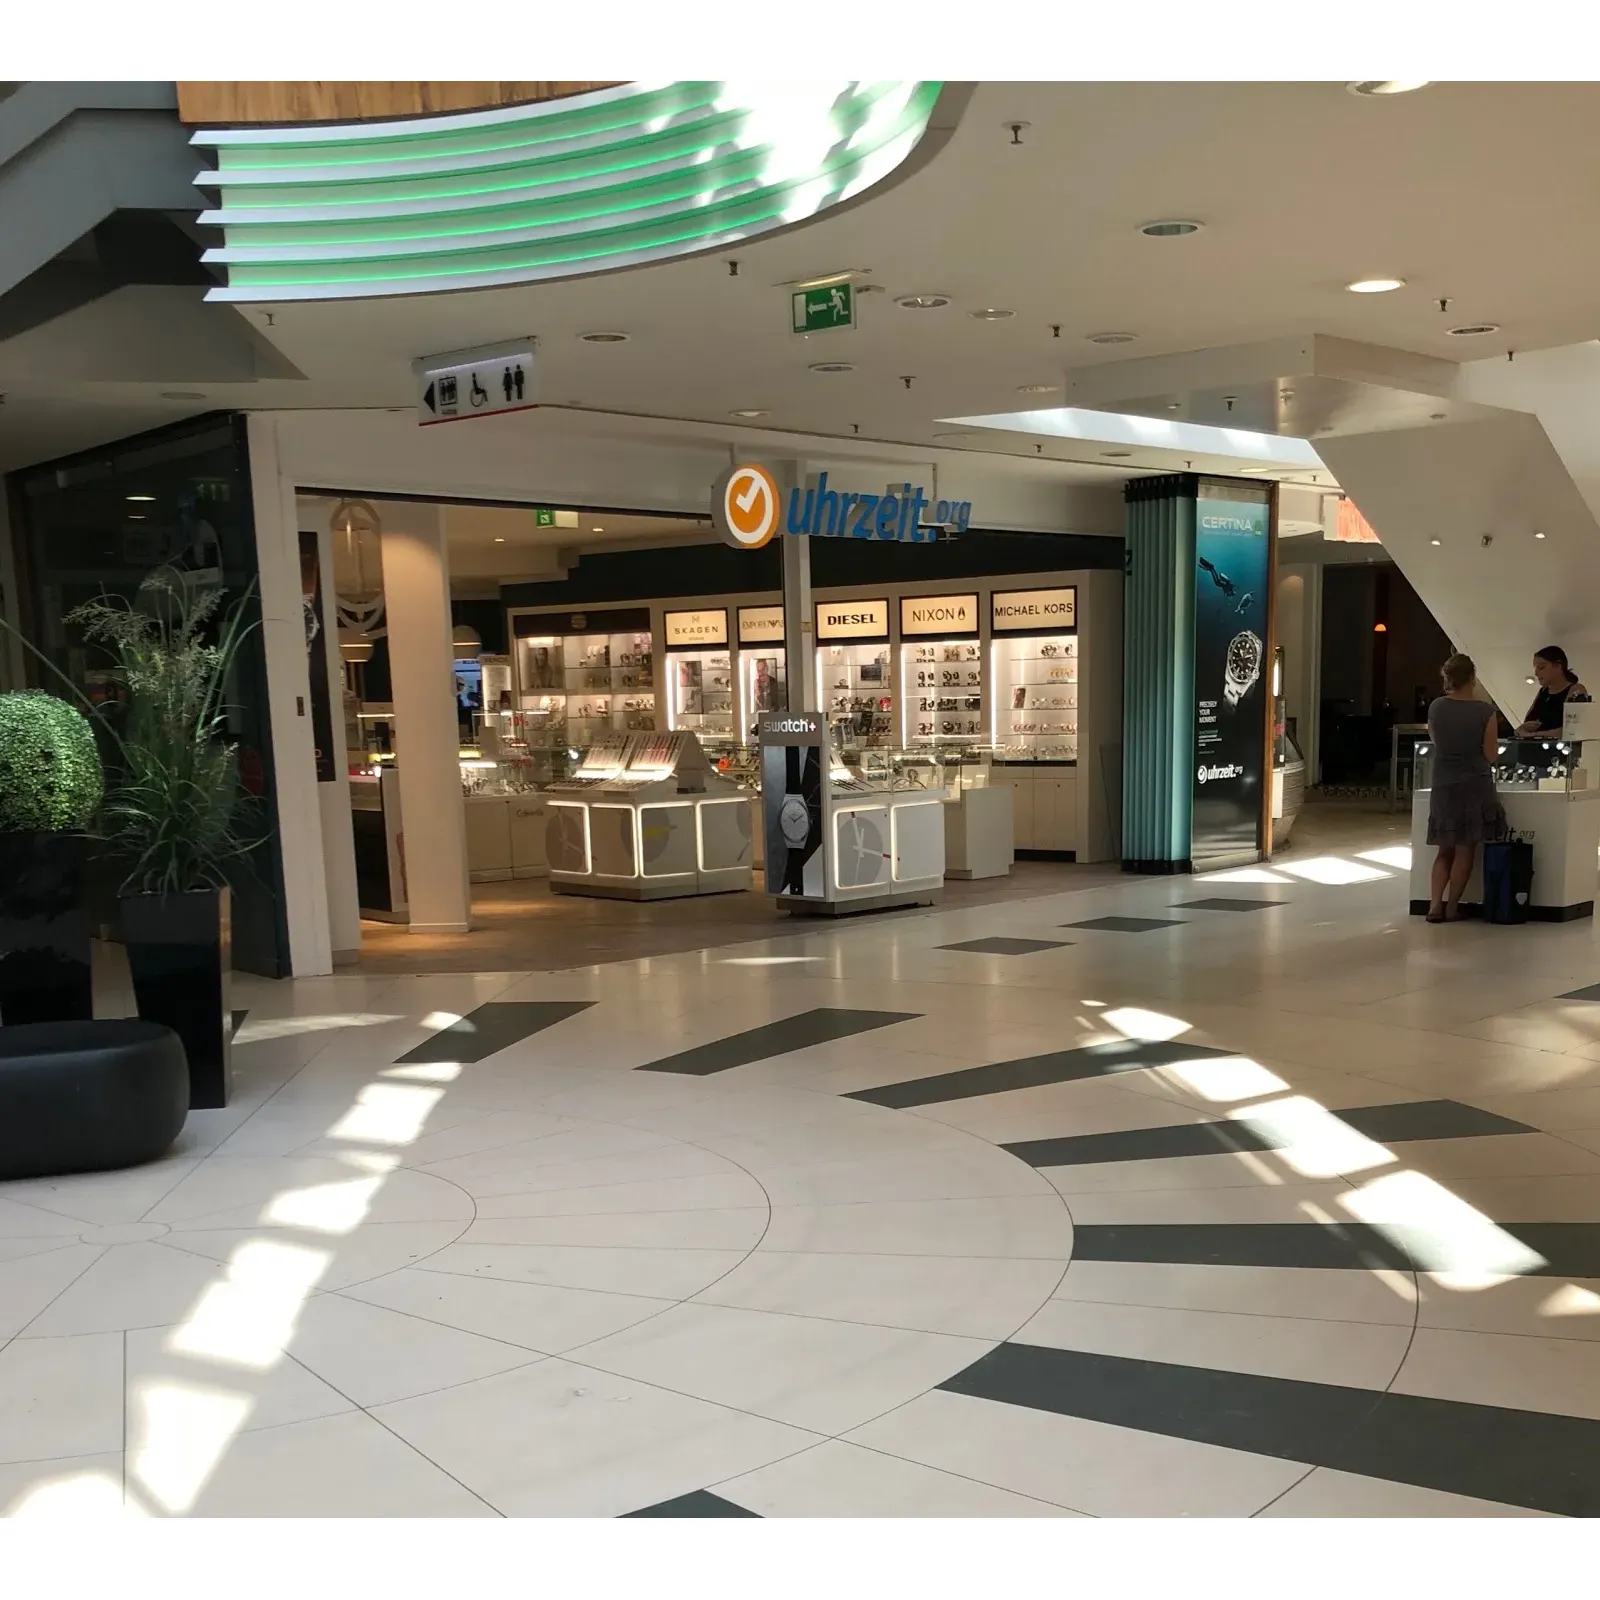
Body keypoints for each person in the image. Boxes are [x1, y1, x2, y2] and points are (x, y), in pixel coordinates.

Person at [1426, 653, 1506, 923]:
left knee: (1444, 849)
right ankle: (1452, 907)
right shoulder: (1485, 712)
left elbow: (1435, 740)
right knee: (1465, 849)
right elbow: (1491, 754)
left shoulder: (1437, 707)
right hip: (1474, 783)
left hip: (1443, 782)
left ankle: (1434, 906)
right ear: (1472, 677)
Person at [1516, 646, 1589, 735]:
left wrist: (1536, 735)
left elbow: (1572, 730)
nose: (1536, 673)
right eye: (1536, 668)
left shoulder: (1576, 690)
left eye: (1541, 667)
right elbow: (1527, 722)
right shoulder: (1543, 691)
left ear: (1558, 665)